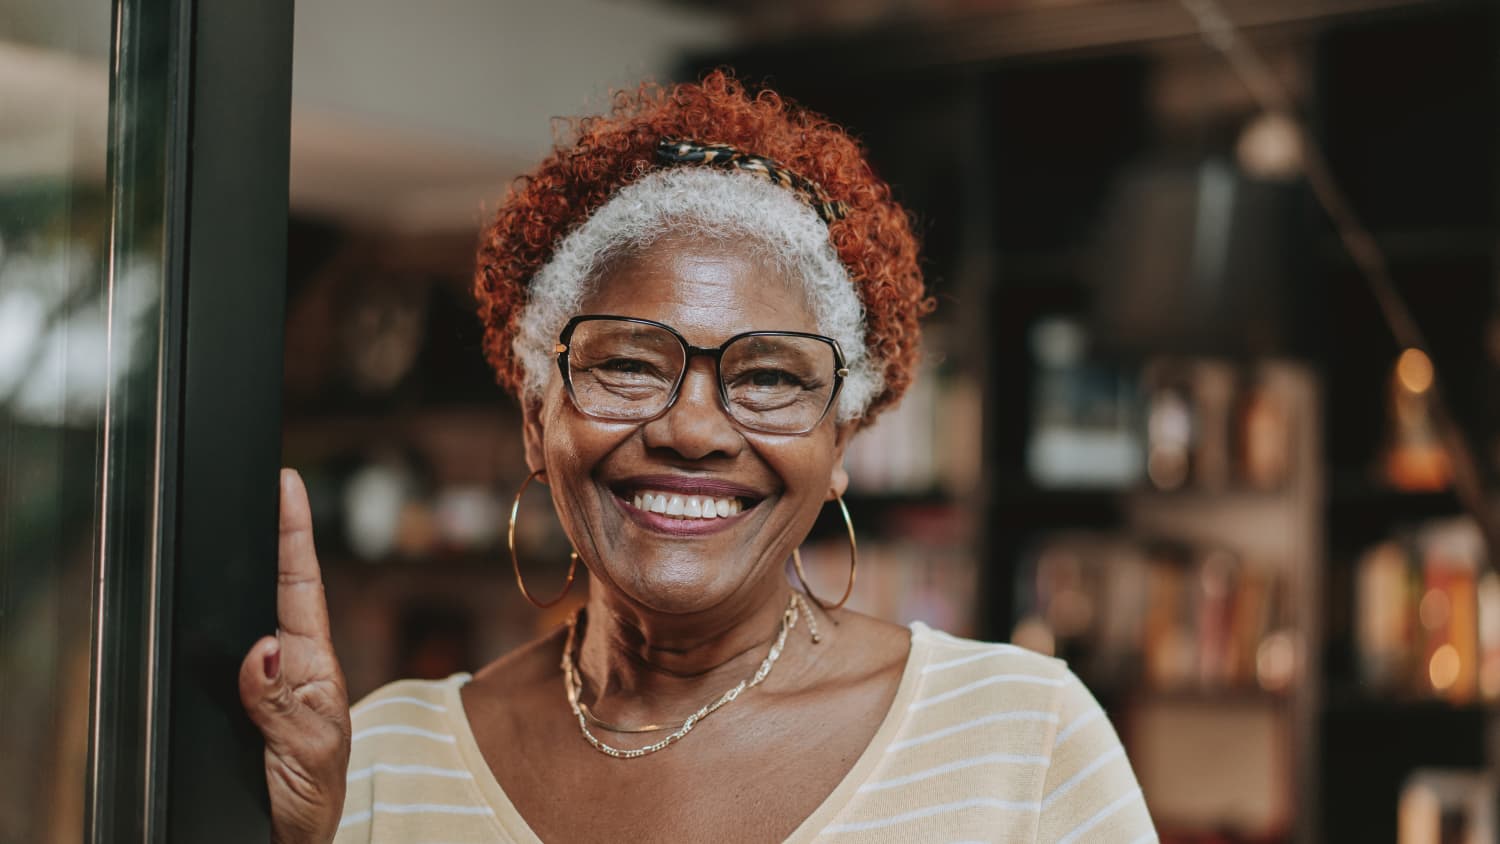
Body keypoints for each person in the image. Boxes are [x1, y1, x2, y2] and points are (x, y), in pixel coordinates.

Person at [238, 71, 1156, 843]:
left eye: (768, 378)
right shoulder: (376, 765)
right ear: (534, 415)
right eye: (631, 364)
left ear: (842, 442)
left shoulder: (1020, 741)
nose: (693, 428)